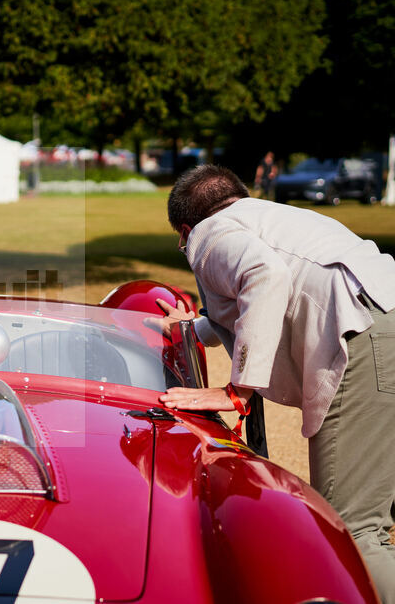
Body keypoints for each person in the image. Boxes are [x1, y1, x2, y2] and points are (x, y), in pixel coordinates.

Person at [157, 164, 395, 601]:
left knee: (352, 530)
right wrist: (193, 331)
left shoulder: (209, 234)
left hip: (366, 337)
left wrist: (237, 389)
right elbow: (252, 299)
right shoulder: (274, 218)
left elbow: (265, 278)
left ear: (187, 229)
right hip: (384, 316)